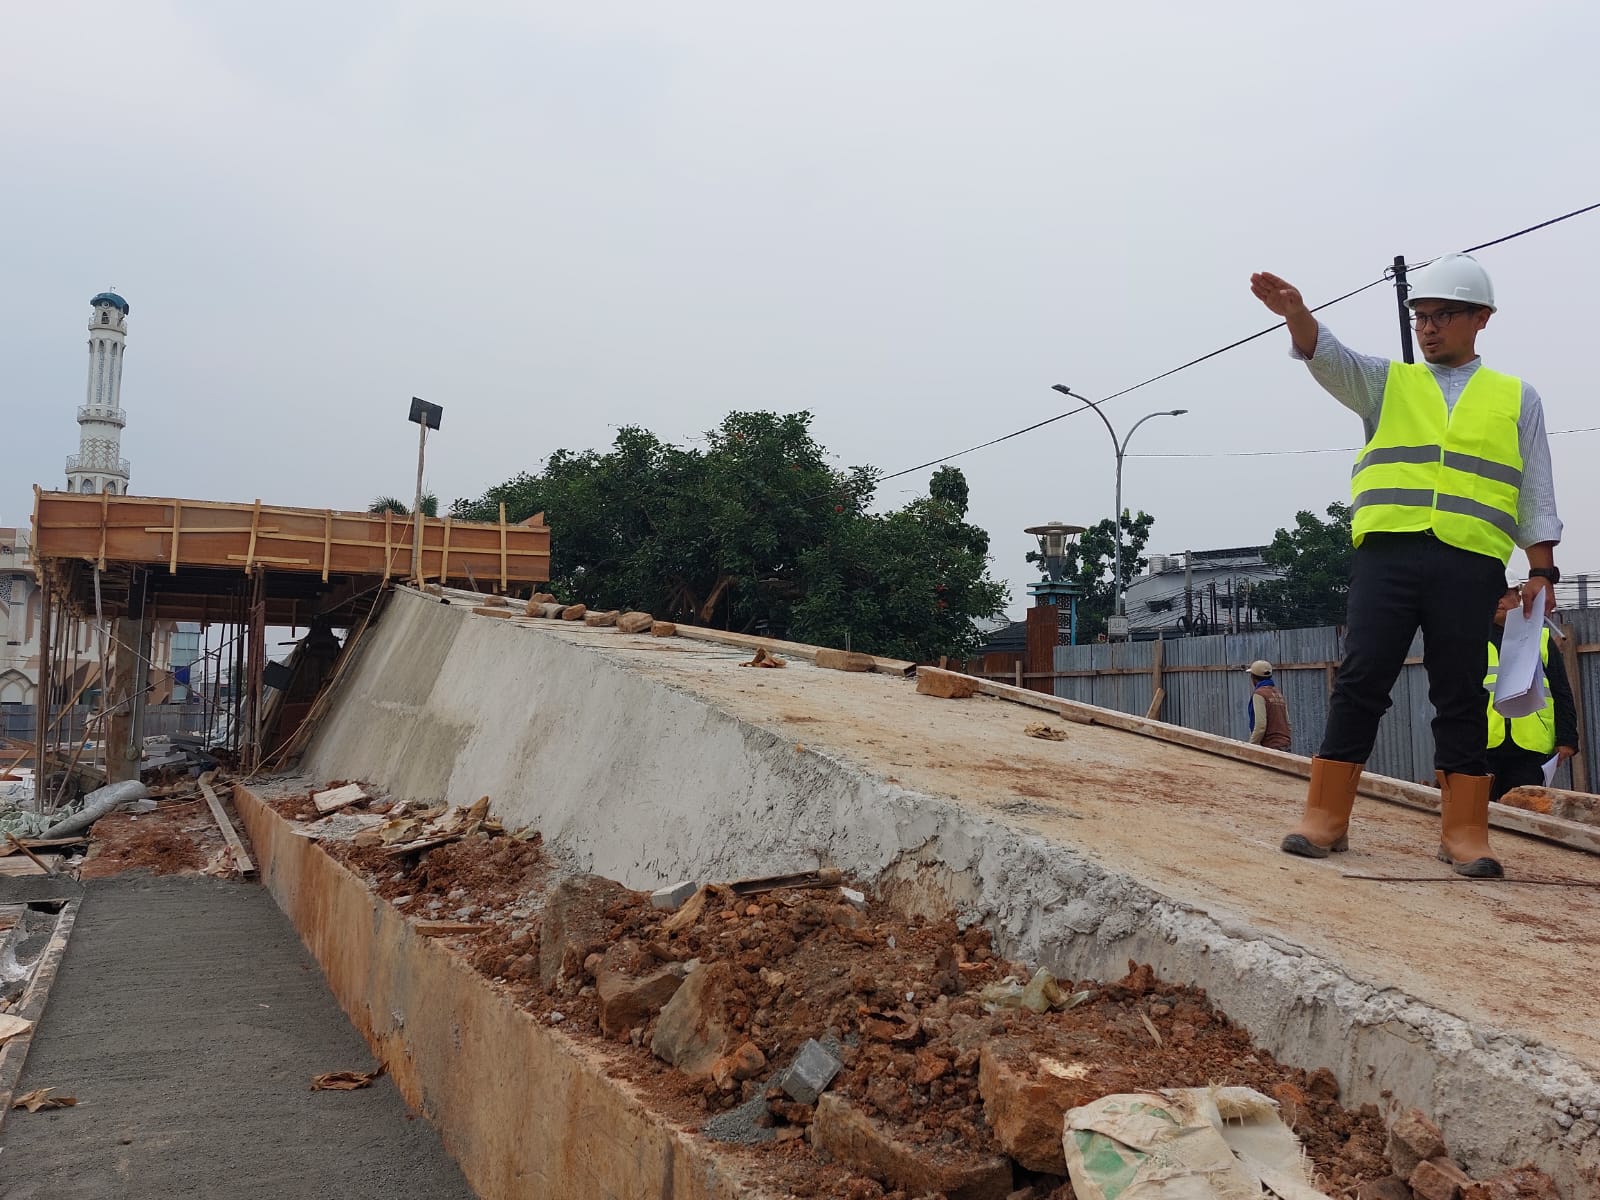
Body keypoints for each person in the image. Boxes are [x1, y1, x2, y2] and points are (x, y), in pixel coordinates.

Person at [1250, 254, 1563, 879]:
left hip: (1470, 560)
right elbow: (1331, 362)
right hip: (1387, 553)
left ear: (1481, 319)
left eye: (1443, 314)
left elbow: (1535, 485)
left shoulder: (1515, 397)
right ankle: (1326, 817)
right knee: (1363, 677)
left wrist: (1542, 570)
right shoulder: (1389, 383)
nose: (1427, 327)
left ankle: (1466, 831)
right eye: (1420, 315)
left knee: (1460, 690)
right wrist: (1299, 319)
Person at [1487, 587, 1578, 800]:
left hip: (1530, 748)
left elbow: (1560, 690)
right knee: (1482, 817)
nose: (1498, 601)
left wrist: (1567, 739)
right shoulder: (1471, 641)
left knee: (1526, 814)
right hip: (1484, 744)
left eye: (1504, 594)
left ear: (1518, 598)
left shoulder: (1540, 637)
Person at [1245, 660, 1292, 750]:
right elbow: (1288, 723)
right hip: (1284, 744)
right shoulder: (1277, 693)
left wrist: (1251, 746)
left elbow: (1261, 726)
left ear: (1253, 678)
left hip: (1270, 746)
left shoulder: (1259, 694)